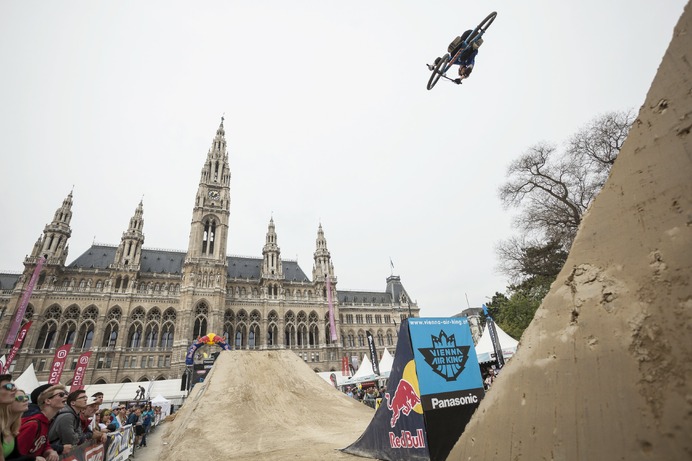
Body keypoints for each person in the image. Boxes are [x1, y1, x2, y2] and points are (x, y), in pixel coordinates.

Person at [16, 385, 65, 461]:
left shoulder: (45, 421)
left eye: (65, 393)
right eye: (61, 395)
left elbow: (43, 443)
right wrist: (34, 459)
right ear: (48, 401)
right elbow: (15, 454)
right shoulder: (33, 424)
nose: (66, 396)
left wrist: (50, 451)